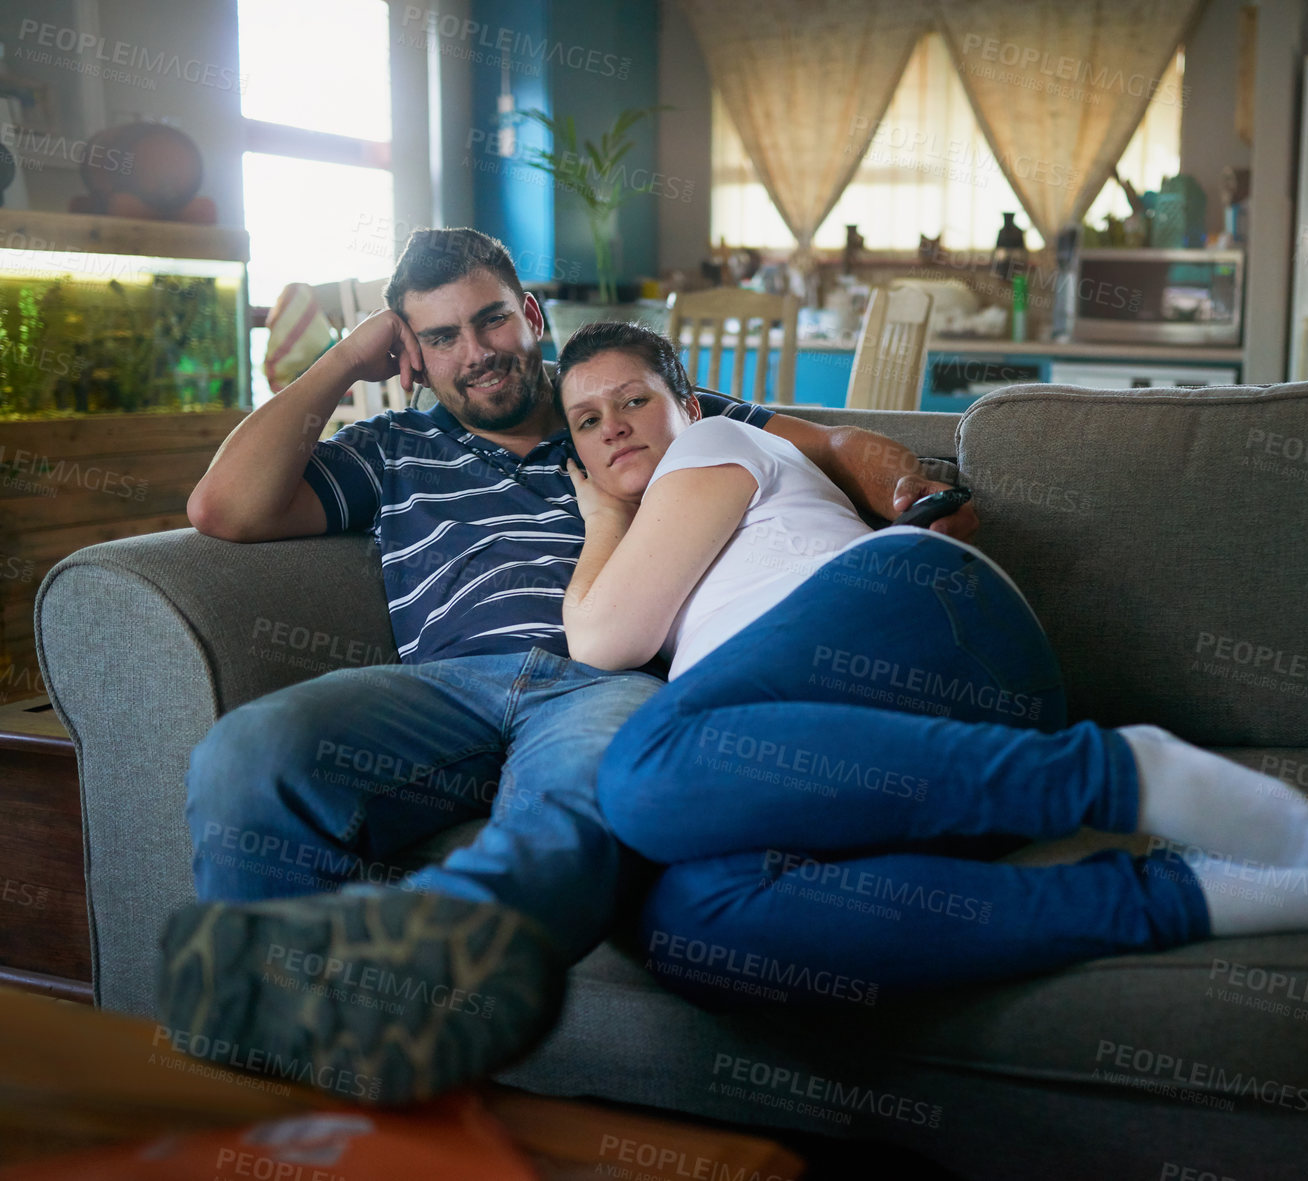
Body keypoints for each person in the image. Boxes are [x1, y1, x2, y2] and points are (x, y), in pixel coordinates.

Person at [157, 228, 977, 1104]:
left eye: (492, 320)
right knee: (251, 751)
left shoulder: (633, 412)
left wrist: (919, 503)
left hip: (605, 681)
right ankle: (274, 1081)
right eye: (441, 338)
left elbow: (846, 444)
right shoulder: (392, 450)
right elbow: (223, 508)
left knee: (589, 801)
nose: (476, 354)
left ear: (532, 316)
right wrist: (349, 352)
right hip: (443, 689)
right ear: (413, 354)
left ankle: (431, 982)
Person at [557, 323, 1308, 1010]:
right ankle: (1180, 898)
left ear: (690, 400)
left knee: (639, 775)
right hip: (918, 759)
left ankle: (1111, 773)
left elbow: (601, 640)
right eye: (588, 423)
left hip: (920, 618)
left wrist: (599, 523)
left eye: (633, 398)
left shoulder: (711, 446)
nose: (615, 426)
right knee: (692, 923)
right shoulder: (661, 530)